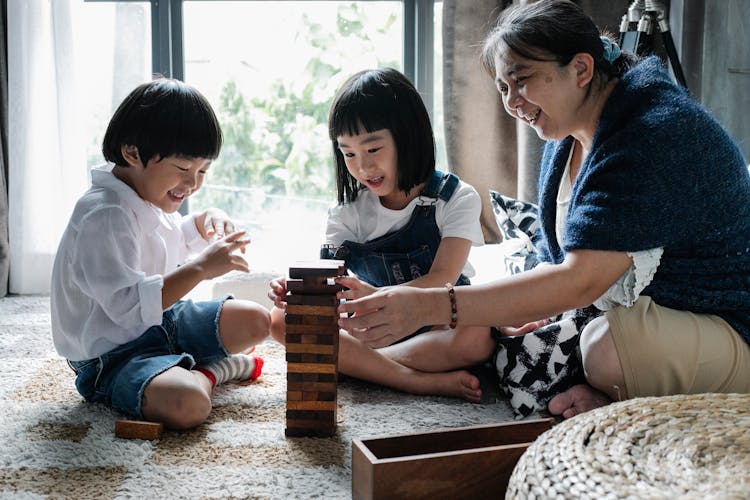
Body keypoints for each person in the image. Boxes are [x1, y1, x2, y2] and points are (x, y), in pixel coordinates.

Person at [335, 0, 750, 418]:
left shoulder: (653, 132)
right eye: (502, 88)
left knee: (604, 348)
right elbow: (557, 259)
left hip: (728, 321)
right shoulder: (565, 135)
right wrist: (516, 309)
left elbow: (579, 280)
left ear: (582, 69)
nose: (512, 102)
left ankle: (613, 392)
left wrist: (431, 305)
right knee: (501, 331)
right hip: (649, 309)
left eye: (522, 80)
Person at [51, 78, 271, 430]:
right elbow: (127, 306)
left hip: (164, 320)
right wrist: (201, 268)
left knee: (258, 320)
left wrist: (200, 225)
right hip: (114, 355)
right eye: (185, 169)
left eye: (202, 171)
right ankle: (211, 371)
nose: (194, 183)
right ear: (132, 152)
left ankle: (179, 365)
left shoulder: (142, 194)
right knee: (190, 405)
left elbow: (166, 247)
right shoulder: (104, 214)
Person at [268, 68, 494, 402]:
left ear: (408, 137)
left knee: (478, 335)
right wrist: (303, 294)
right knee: (279, 320)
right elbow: (332, 287)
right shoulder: (346, 212)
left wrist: (378, 294)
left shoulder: (456, 197)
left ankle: (362, 367)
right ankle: (413, 379)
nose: (362, 167)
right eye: (348, 154)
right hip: (373, 330)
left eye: (373, 150)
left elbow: (443, 278)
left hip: (437, 325)